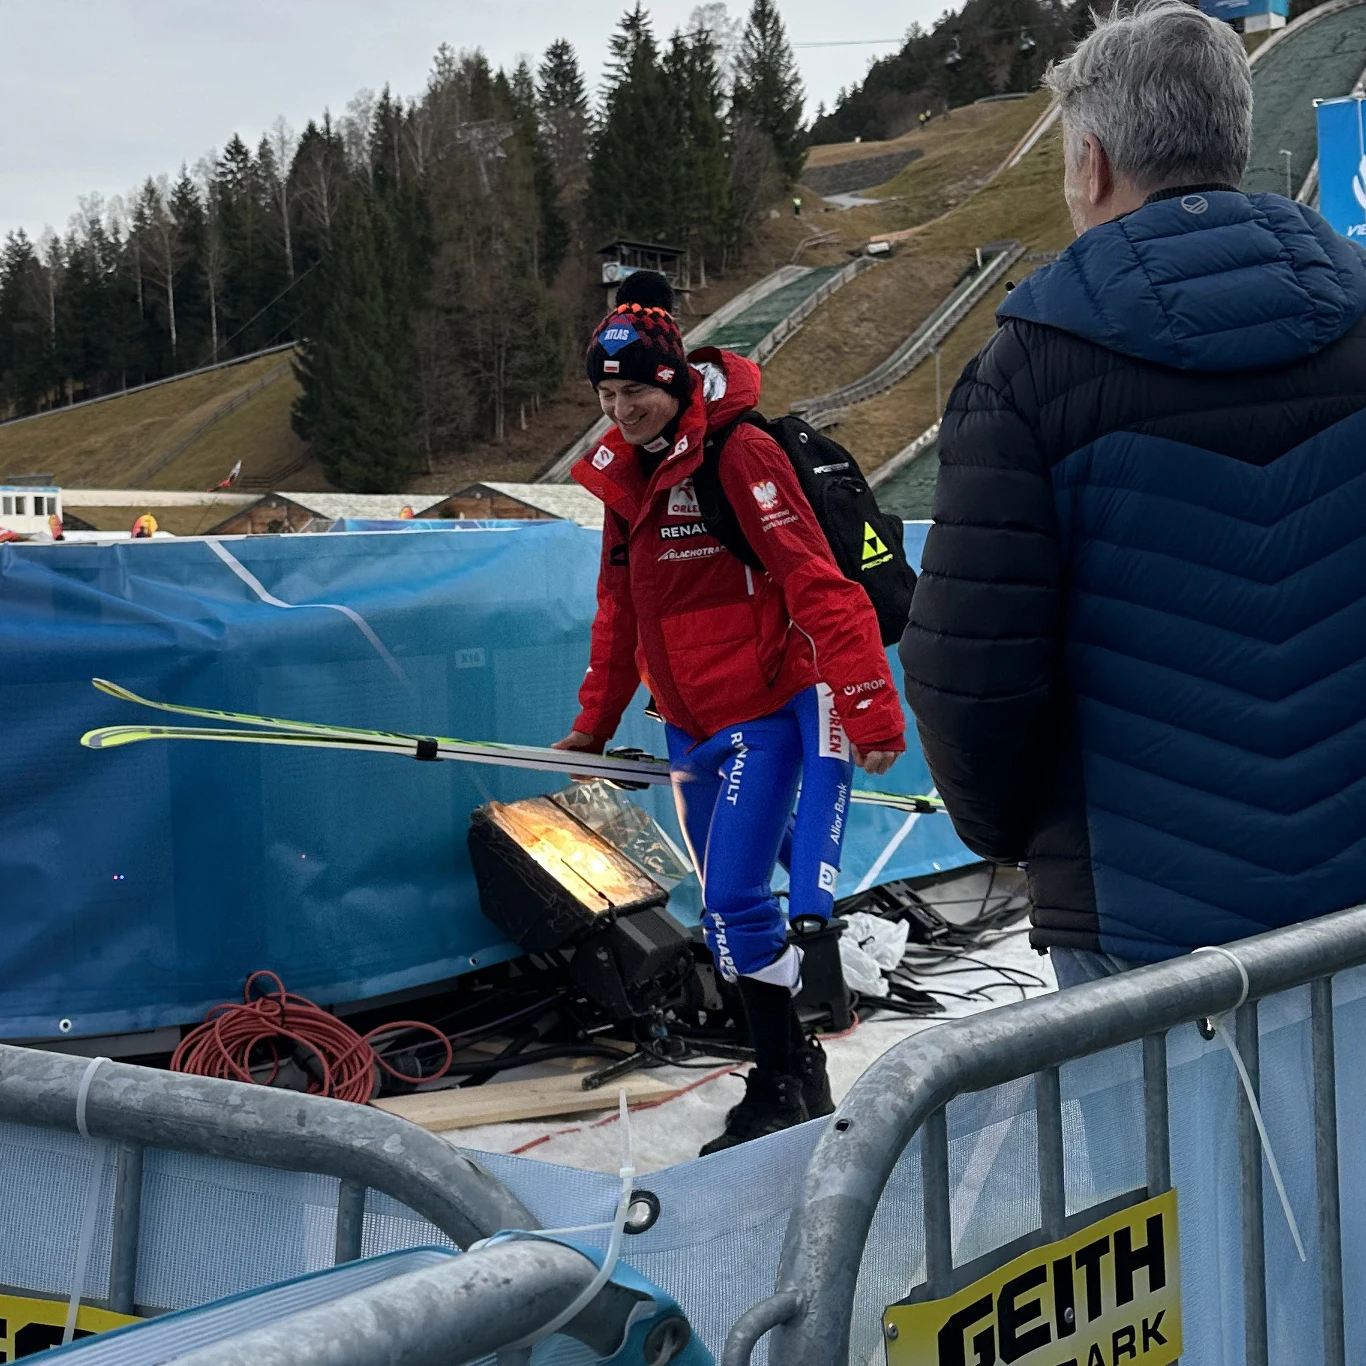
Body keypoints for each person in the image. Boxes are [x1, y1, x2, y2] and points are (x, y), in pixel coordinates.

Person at [898, 0, 1366, 991]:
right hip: (1355, 911)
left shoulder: (1027, 368)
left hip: (1141, 927)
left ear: (1092, 163)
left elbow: (971, 672)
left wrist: (1016, 833)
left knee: (1164, 1151)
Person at [556, 270, 905, 1151]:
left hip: (763, 707)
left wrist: (869, 708)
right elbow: (619, 610)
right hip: (689, 720)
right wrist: (595, 724)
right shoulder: (629, 477)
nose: (618, 409)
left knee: (742, 896)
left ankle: (788, 1075)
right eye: (605, 393)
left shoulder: (738, 453)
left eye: (633, 390)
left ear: (672, 381)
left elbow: (816, 582)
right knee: (723, 912)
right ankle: (787, 1068)